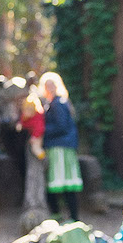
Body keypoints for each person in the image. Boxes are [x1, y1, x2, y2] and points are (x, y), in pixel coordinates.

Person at [39, 71, 81, 221]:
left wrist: (41, 131)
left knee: (62, 182)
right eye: (47, 85)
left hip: (60, 148)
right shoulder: (54, 103)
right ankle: (60, 216)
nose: (49, 88)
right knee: (58, 183)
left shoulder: (58, 103)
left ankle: (72, 218)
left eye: (52, 85)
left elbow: (61, 126)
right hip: (58, 146)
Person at [19, 89, 46, 160]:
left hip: (36, 136)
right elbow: (23, 123)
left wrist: (34, 136)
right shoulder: (25, 117)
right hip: (30, 136)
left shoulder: (37, 117)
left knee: (35, 148)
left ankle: (44, 158)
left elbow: (40, 128)